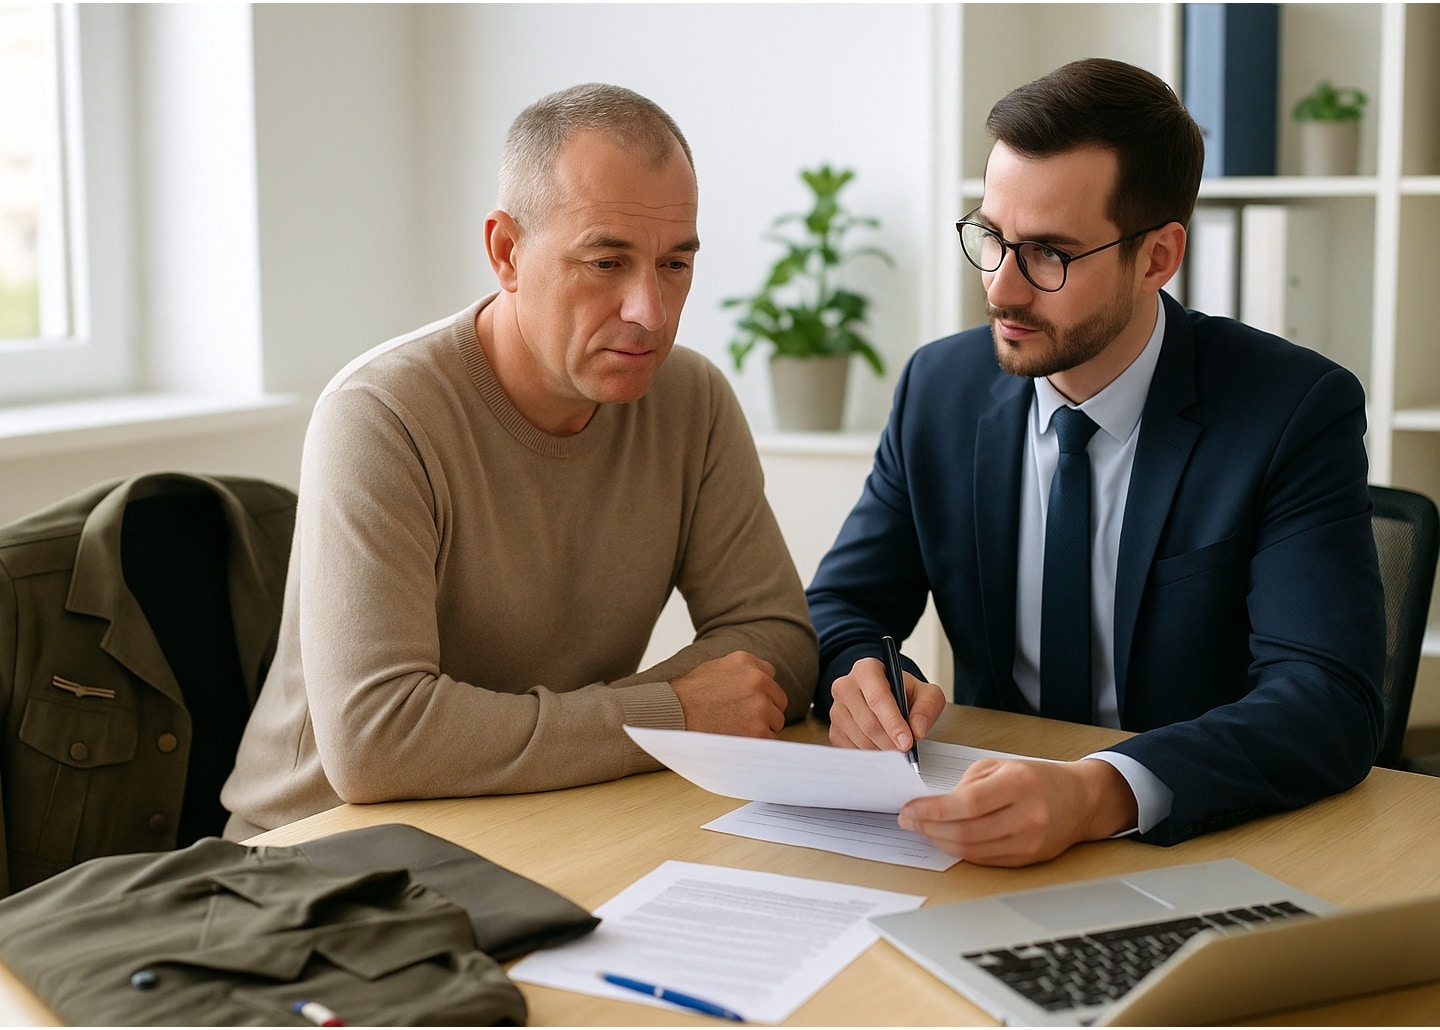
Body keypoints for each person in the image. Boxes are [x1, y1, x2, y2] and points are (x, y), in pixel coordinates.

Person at [807, 58, 1384, 867]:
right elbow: (843, 601)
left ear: (1156, 257)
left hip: (1202, 843)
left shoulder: (1291, 410)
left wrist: (1100, 791)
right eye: (992, 238)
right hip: (981, 830)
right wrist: (863, 674)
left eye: (1048, 255)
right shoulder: (939, 389)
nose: (1002, 289)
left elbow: (1329, 701)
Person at [222, 83, 817, 837]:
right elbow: (377, 743)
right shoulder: (378, 417)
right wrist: (674, 714)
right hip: (320, 854)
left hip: (546, 818)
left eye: (674, 264)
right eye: (606, 263)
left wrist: (632, 724)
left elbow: (778, 643)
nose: (651, 312)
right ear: (506, 252)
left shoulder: (690, 400)